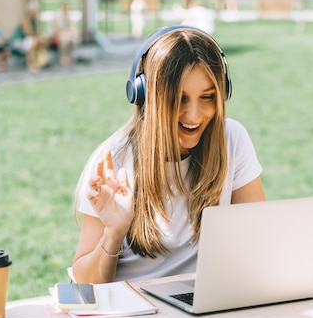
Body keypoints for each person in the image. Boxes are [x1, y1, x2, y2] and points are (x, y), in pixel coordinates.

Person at [71, 25, 266, 284]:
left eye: (207, 97)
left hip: (201, 300)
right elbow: (85, 283)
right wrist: (114, 231)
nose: (195, 115)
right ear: (145, 96)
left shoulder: (232, 140)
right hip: (135, 303)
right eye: (180, 99)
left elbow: (262, 240)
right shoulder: (115, 160)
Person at [9, 0, 47, 72]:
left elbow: (38, 33)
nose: (36, 12)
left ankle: (41, 62)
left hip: (27, 40)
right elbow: (29, 34)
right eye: (34, 10)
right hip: (18, 41)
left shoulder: (35, 21)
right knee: (33, 41)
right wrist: (39, 38)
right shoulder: (25, 20)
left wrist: (41, 38)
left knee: (41, 41)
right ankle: (30, 64)